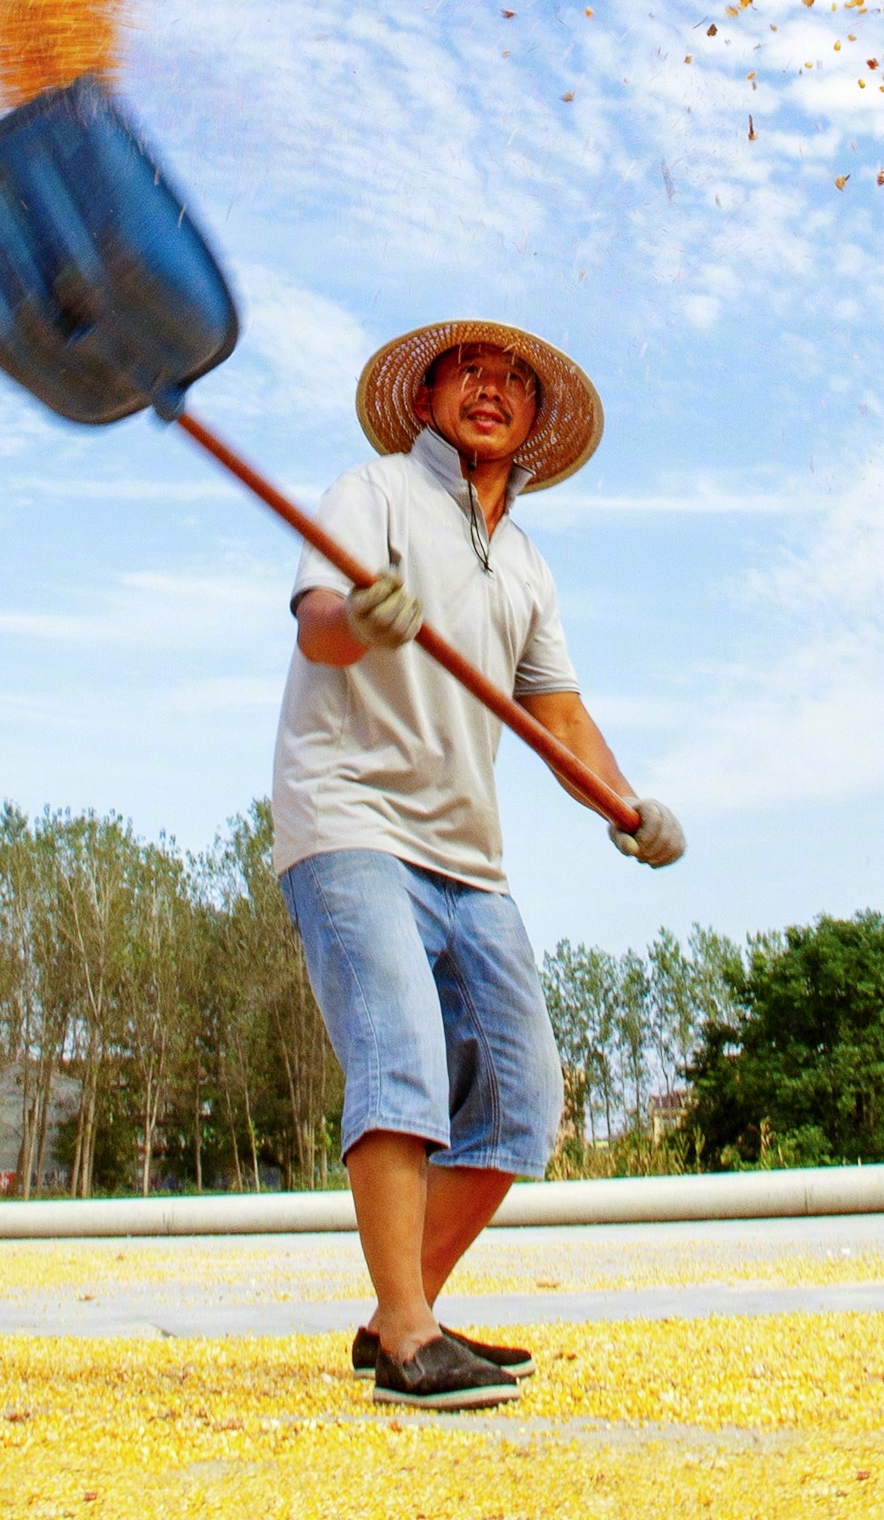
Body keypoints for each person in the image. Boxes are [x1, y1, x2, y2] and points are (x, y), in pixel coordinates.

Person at [272, 317, 684, 1409]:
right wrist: (360, 613)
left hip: (469, 855)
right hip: (351, 821)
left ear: (538, 421)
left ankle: (397, 1315)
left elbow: (556, 714)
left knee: (519, 1094)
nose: (491, 388)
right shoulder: (375, 494)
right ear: (429, 398)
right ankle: (410, 1338)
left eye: (513, 380)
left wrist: (626, 804)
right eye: (470, 370)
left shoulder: (530, 565)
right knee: (399, 1052)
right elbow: (319, 623)